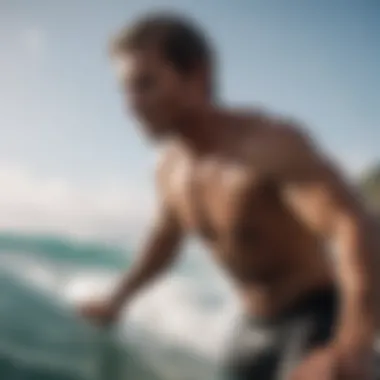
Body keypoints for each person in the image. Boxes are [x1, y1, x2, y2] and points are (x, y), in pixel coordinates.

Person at [79, 12, 378, 380]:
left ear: (196, 76)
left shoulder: (267, 146)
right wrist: (117, 300)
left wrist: (352, 346)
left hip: (315, 319)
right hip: (250, 329)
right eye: (125, 89)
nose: (131, 105)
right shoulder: (169, 170)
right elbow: (165, 240)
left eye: (144, 85)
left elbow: (351, 224)